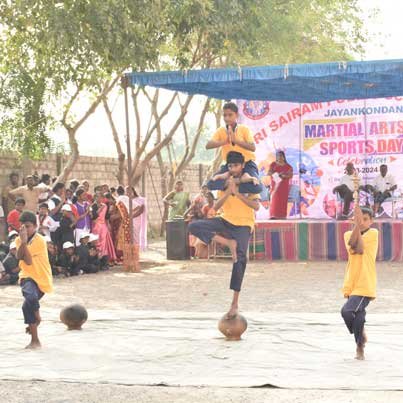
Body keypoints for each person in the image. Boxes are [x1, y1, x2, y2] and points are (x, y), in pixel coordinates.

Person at [188, 151, 260, 318]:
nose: (233, 168)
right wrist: (228, 192)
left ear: (242, 166)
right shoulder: (224, 183)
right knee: (195, 226)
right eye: (230, 166)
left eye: (236, 165)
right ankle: (229, 243)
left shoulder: (249, 183)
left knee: (240, 260)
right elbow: (216, 208)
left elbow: (256, 207)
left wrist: (239, 194)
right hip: (225, 221)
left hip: (243, 225)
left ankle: (234, 304)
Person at [341, 205, 378, 360]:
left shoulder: (373, 233)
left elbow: (360, 248)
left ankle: (360, 338)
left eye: (365, 219)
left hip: (365, 283)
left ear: (371, 221)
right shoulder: (347, 234)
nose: (362, 222)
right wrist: (356, 225)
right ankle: (359, 346)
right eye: (359, 219)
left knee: (347, 311)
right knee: (359, 317)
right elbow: (353, 247)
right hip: (352, 282)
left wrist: (357, 224)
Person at [15, 210, 53, 349]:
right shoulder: (19, 239)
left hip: (42, 278)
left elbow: (29, 260)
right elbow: (19, 257)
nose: (25, 229)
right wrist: (23, 243)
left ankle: (36, 323)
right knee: (29, 299)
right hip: (27, 276)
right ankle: (35, 337)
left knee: (27, 305)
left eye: (28, 226)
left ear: (35, 226)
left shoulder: (40, 241)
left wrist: (24, 243)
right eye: (23, 227)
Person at [206, 102, 262, 194]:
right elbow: (208, 145)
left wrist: (236, 141)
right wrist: (224, 141)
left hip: (247, 164)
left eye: (230, 115)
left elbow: (253, 148)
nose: (227, 118)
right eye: (225, 115)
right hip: (230, 166)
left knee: (257, 188)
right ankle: (239, 182)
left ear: (236, 115)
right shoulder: (221, 131)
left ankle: (233, 184)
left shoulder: (244, 129)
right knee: (210, 184)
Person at [267, 151, 293, 219]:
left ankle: (282, 216)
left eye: (281, 156)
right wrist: (277, 174)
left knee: (282, 201)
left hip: (283, 186)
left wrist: (283, 175)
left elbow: (290, 175)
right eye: (278, 156)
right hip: (275, 186)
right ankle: (273, 215)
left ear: (284, 157)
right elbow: (269, 173)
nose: (279, 157)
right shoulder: (273, 164)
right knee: (274, 200)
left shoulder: (288, 166)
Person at [91, 193, 116, 262]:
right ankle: (97, 258)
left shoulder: (105, 206)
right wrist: (100, 209)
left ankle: (104, 259)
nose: (99, 199)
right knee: (96, 241)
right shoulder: (93, 206)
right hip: (96, 226)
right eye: (97, 197)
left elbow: (106, 217)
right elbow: (94, 216)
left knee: (104, 242)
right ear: (95, 198)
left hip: (103, 226)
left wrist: (108, 224)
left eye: (100, 197)